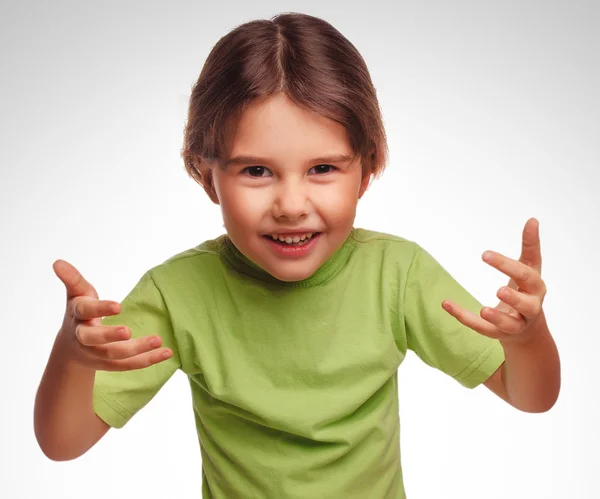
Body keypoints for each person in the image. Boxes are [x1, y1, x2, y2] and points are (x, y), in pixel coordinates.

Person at [33, 12, 561, 499]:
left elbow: (532, 397)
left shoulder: (397, 275)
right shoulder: (178, 294)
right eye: (256, 171)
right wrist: (72, 356)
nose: (290, 206)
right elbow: (62, 443)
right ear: (206, 175)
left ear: (367, 170)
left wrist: (528, 337)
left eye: (323, 169)